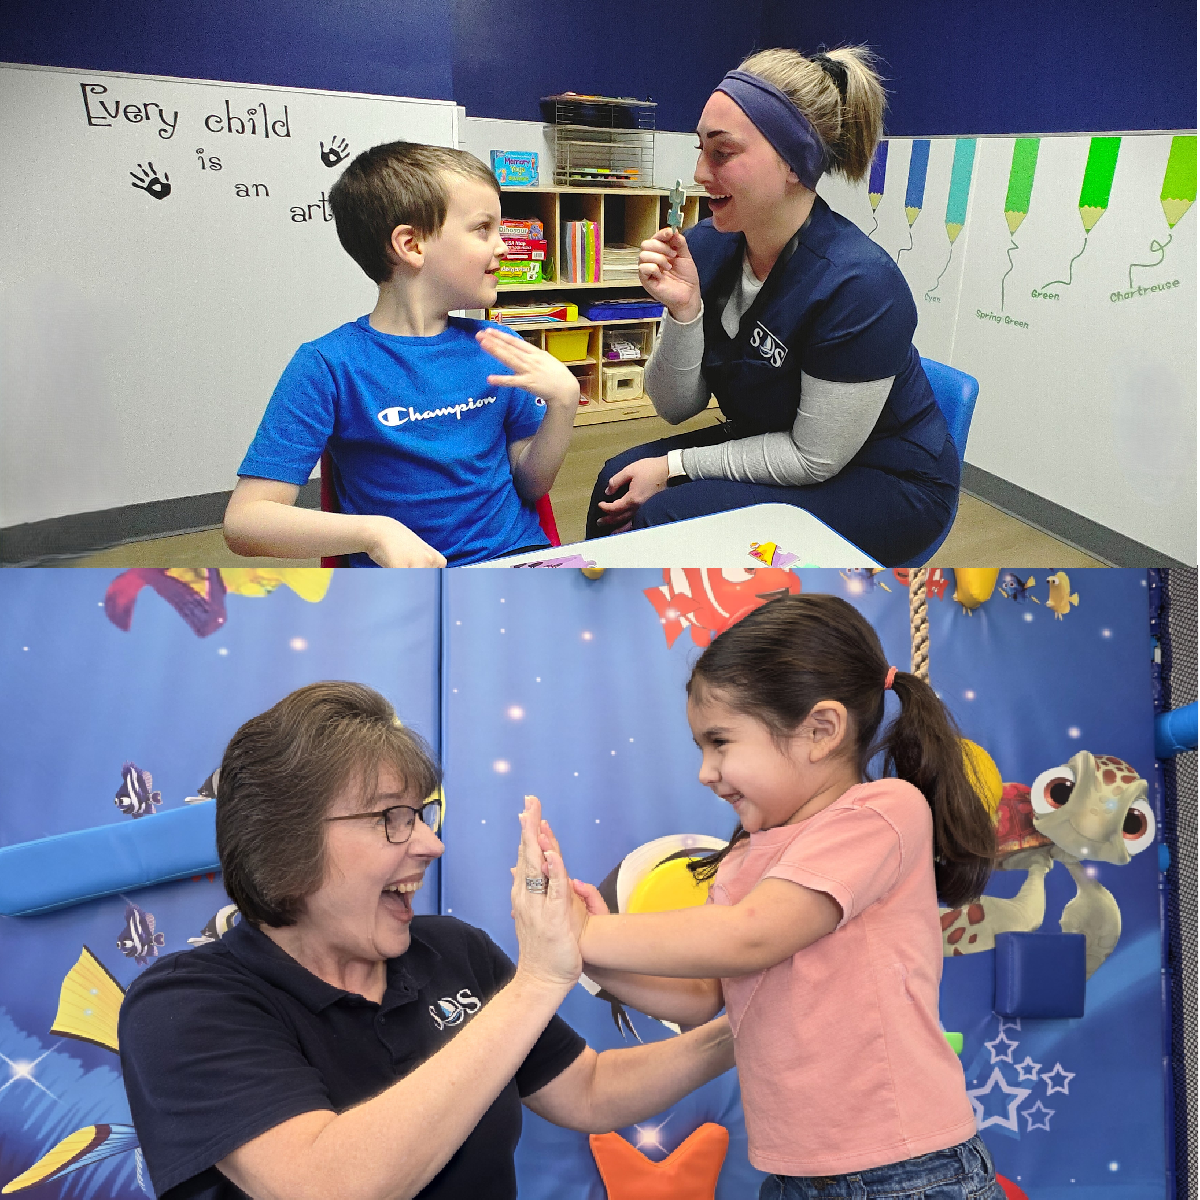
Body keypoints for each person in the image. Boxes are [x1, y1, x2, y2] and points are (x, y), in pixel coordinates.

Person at [118, 682, 734, 1200]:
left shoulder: (452, 951)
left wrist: (748, 1026)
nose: (430, 844)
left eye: (421, 814)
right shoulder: (184, 1005)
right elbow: (329, 1186)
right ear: (282, 846)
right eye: (391, 818)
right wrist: (540, 979)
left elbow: (590, 1090)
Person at [538, 594, 1004, 1199]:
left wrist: (583, 933)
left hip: (907, 1171)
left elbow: (752, 937)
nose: (705, 771)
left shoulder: (881, 814)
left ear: (821, 730)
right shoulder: (745, 854)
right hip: (795, 1175)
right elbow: (700, 998)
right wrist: (588, 955)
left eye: (720, 742)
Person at [585, 49, 960, 566]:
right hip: (777, 438)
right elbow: (675, 406)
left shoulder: (858, 285)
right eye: (699, 150)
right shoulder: (710, 248)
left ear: (793, 160)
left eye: (721, 153)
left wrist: (675, 466)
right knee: (616, 488)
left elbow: (813, 458)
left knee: (665, 514)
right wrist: (684, 312)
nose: (699, 172)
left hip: (886, 481)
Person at [223, 142, 580, 567]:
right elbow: (246, 521)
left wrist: (563, 404)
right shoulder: (328, 366)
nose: (503, 247)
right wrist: (375, 532)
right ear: (411, 245)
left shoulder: (499, 345)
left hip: (516, 561)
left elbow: (531, 485)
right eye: (483, 229)